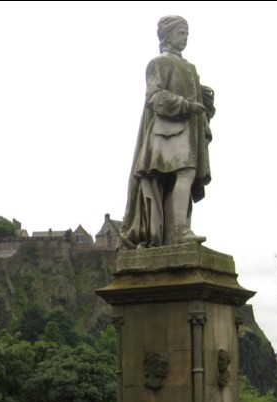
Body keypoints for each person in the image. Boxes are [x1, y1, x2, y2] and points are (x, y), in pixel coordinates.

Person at [119, 15, 215, 249]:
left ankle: (175, 233)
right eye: (181, 33)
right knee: (185, 173)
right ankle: (180, 230)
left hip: (187, 132)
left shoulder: (189, 67)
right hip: (166, 133)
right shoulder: (159, 62)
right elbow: (154, 97)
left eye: (187, 34)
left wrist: (205, 99)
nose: (185, 38)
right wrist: (185, 105)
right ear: (167, 35)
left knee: (182, 178)